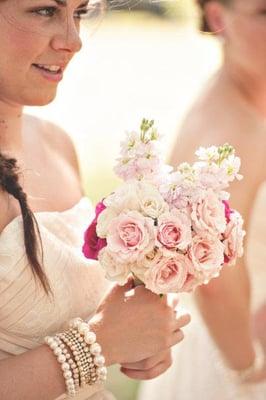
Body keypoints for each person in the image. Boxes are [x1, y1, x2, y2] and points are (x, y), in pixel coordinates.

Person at [0, 1, 191, 399]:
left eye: (80, 13)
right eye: (44, 11)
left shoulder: (56, 145)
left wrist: (140, 333)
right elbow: (96, 340)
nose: (73, 40)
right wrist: (98, 344)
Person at [138, 0, 266, 399]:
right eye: (265, 13)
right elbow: (215, 280)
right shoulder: (229, 128)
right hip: (228, 354)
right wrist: (248, 371)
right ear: (216, 16)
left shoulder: (249, 96)